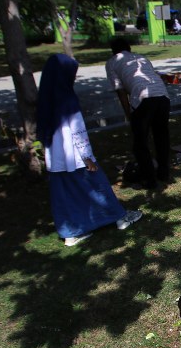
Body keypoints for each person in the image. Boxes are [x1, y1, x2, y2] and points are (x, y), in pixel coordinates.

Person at [37, 54, 143, 247]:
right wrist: (87, 157)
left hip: (57, 160)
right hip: (77, 158)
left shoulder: (46, 99)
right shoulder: (67, 100)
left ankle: (70, 233)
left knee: (65, 196)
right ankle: (119, 218)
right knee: (98, 188)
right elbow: (77, 132)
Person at [105, 38, 171, 189]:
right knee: (161, 136)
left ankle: (150, 179)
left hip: (143, 99)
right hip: (163, 96)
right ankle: (163, 173)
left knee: (140, 143)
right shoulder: (141, 58)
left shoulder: (112, 62)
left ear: (113, 50)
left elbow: (121, 91)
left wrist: (128, 113)